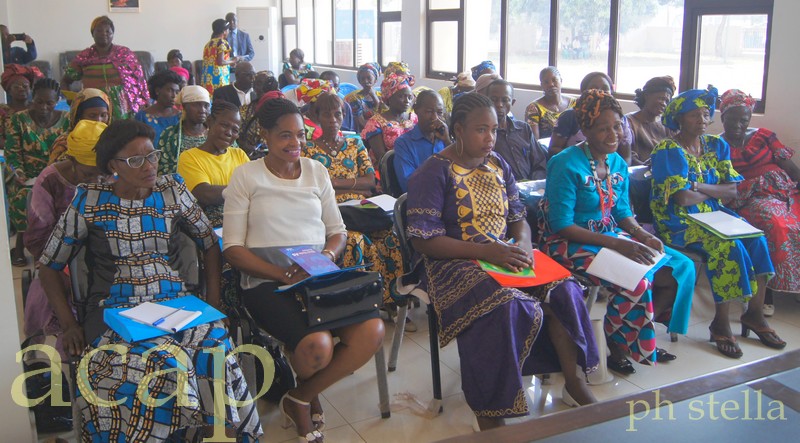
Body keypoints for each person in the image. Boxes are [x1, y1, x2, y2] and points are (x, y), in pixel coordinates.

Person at [37, 119, 262, 441]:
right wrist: (70, 324)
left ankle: (212, 432)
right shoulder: (89, 201)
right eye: (136, 160)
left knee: (214, 346)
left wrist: (213, 304)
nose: (149, 166)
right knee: (163, 361)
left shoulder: (172, 190)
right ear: (112, 165)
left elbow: (210, 243)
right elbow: (49, 265)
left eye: (152, 155)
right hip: (114, 308)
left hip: (175, 301)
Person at [406, 93, 598, 430]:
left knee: (566, 290)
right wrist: (487, 252)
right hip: (453, 262)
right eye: (481, 130)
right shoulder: (433, 173)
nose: (490, 138)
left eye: (494, 130)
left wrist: (523, 246)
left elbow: (518, 217)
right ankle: (492, 411)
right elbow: (426, 240)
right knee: (506, 306)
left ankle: (575, 380)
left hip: (504, 254)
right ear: (458, 130)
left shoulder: (497, 164)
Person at [223, 97, 384, 443]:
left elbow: (337, 231)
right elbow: (233, 249)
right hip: (267, 280)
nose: (295, 144)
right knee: (318, 346)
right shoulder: (246, 176)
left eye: (299, 135)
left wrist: (324, 255)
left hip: (315, 275)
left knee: (372, 330)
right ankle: (307, 393)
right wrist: (280, 273)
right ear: (265, 135)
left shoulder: (316, 171)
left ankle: (300, 395)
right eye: (284, 136)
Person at [541, 89, 695, 374]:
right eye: (603, 129)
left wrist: (642, 234)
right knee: (635, 281)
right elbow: (561, 224)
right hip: (568, 243)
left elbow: (622, 212)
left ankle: (634, 333)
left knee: (680, 268)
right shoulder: (564, 163)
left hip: (611, 237)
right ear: (585, 129)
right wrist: (617, 244)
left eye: (617, 126)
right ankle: (619, 346)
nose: (613, 135)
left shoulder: (617, 163)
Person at [650, 87, 785, 359]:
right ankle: (720, 322)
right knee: (728, 246)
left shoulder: (716, 145)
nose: (702, 118)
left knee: (758, 239)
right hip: (679, 221)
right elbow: (682, 199)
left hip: (715, 215)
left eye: (705, 113)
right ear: (679, 118)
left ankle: (755, 315)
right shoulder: (668, 149)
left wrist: (699, 185)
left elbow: (732, 190)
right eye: (694, 114)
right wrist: (712, 188)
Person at [301, 90, 403, 303]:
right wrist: (354, 185)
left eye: (337, 114)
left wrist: (334, 182)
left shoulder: (355, 143)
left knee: (390, 238)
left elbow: (370, 181)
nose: (333, 120)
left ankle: (392, 300)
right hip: (330, 212)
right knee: (355, 240)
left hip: (360, 208)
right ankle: (359, 301)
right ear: (317, 117)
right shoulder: (308, 150)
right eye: (327, 115)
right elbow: (314, 188)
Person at [22, 120, 105, 359]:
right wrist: (70, 263)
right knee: (55, 292)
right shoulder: (49, 180)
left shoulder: (113, 176)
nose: (97, 181)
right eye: (89, 174)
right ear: (73, 162)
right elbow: (38, 238)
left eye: (103, 173)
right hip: (59, 259)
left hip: (104, 259)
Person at [720, 89, 800, 315]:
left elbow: (791, 168)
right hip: (747, 196)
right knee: (775, 224)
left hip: (784, 190)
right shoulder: (716, 145)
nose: (738, 125)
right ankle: (768, 292)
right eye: (732, 119)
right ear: (723, 117)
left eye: (743, 120)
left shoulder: (764, 135)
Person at [5, 78, 69, 266]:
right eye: (39, 101)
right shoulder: (18, 119)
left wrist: (56, 177)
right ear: (33, 98)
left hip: (57, 176)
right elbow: (12, 154)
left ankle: (57, 248)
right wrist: (20, 175)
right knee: (25, 197)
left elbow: (69, 153)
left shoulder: (67, 120)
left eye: (49, 103)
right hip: (26, 178)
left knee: (64, 195)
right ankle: (23, 246)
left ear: (57, 100)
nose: (43, 107)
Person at [62, 16, 149, 120]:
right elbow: (65, 81)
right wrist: (71, 99)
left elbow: (139, 81)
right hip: (93, 109)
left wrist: (144, 102)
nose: (104, 34)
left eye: (108, 31)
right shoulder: (84, 57)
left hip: (122, 109)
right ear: (92, 33)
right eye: (99, 30)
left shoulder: (125, 55)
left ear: (113, 33)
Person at [550, 72, 633, 163]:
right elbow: (553, 149)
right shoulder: (570, 116)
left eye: (605, 89)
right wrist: (583, 162)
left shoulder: (620, 118)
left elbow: (626, 157)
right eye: (594, 88)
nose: (600, 92)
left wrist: (618, 171)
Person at [485, 78, 548, 182]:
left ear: (512, 102)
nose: (499, 105)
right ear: (486, 100)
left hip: (530, 188)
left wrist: (532, 183)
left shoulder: (524, 129)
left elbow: (540, 164)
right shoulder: (485, 136)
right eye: (494, 99)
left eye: (505, 100)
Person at [394, 89, 449, 193]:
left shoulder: (445, 139)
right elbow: (408, 184)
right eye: (429, 112)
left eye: (440, 113)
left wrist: (447, 141)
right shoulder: (404, 143)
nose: (435, 118)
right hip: (422, 200)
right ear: (416, 110)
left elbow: (460, 172)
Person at [361, 72, 417, 164]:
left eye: (409, 97)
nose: (407, 101)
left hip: (413, 165)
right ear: (389, 98)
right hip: (387, 170)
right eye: (401, 96)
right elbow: (382, 158)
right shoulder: (376, 123)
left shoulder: (414, 118)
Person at [47, 87, 111, 165]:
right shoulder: (64, 144)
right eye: (92, 115)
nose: (98, 120)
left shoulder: (112, 142)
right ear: (79, 117)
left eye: (103, 115)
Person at [158, 85, 210, 175]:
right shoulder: (170, 135)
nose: (202, 110)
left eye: (206, 106)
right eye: (196, 105)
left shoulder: (216, 133)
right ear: (184, 107)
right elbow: (164, 171)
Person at [627, 76, 677, 165]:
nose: (663, 104)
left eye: (666, 101)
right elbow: (628, 156)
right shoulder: (629, 122)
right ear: (646, 95)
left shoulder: (666, 124)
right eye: (661, 98)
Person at [525, 66, 575, 140]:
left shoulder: (574, 103)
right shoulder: (533, 108)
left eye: (554, 80)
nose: (551, 84)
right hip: (546, 150)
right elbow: (534, 141)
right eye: (546, 82)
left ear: (561, 81)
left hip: (574, 148)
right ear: (541, 85)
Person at [134, 69, 182, 146]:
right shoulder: (142, 117)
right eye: (170, 90)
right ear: (157, 91)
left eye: (177, 92)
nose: (174, 96)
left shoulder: (181, 117)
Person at [238, 72, 280, 158]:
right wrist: (245, 145)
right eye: (255, 84)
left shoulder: (282, 108)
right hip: (251, 155)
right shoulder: (245, 109)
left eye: (260, 83)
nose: (256, 87)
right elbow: (238, 134)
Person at [0, 64, 42, 145]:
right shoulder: (2, 111)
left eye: (25, 86)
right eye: (16, 87)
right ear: (8, 91)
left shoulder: (38, 108)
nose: (21, 89)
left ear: (30, 88)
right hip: (10, 153)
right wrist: (20, 147)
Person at [200, 18, 238, 95]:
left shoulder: (208, 44)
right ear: (224, 31)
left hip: (207, 80)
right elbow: (221, 61)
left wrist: (229, 62)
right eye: (227, 30)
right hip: (219, 79)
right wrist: (234, 60)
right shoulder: (222, 42)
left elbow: (215, 60)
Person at [345, 62, 381, 133]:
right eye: (362, 78)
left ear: (375, 79)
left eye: (369, 78)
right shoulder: (354, 99)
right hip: (363, 133)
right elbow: (362, 123)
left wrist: (374, 97)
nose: (366, 81)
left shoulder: (381, 96)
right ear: (359, 81)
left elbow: (385, 117)